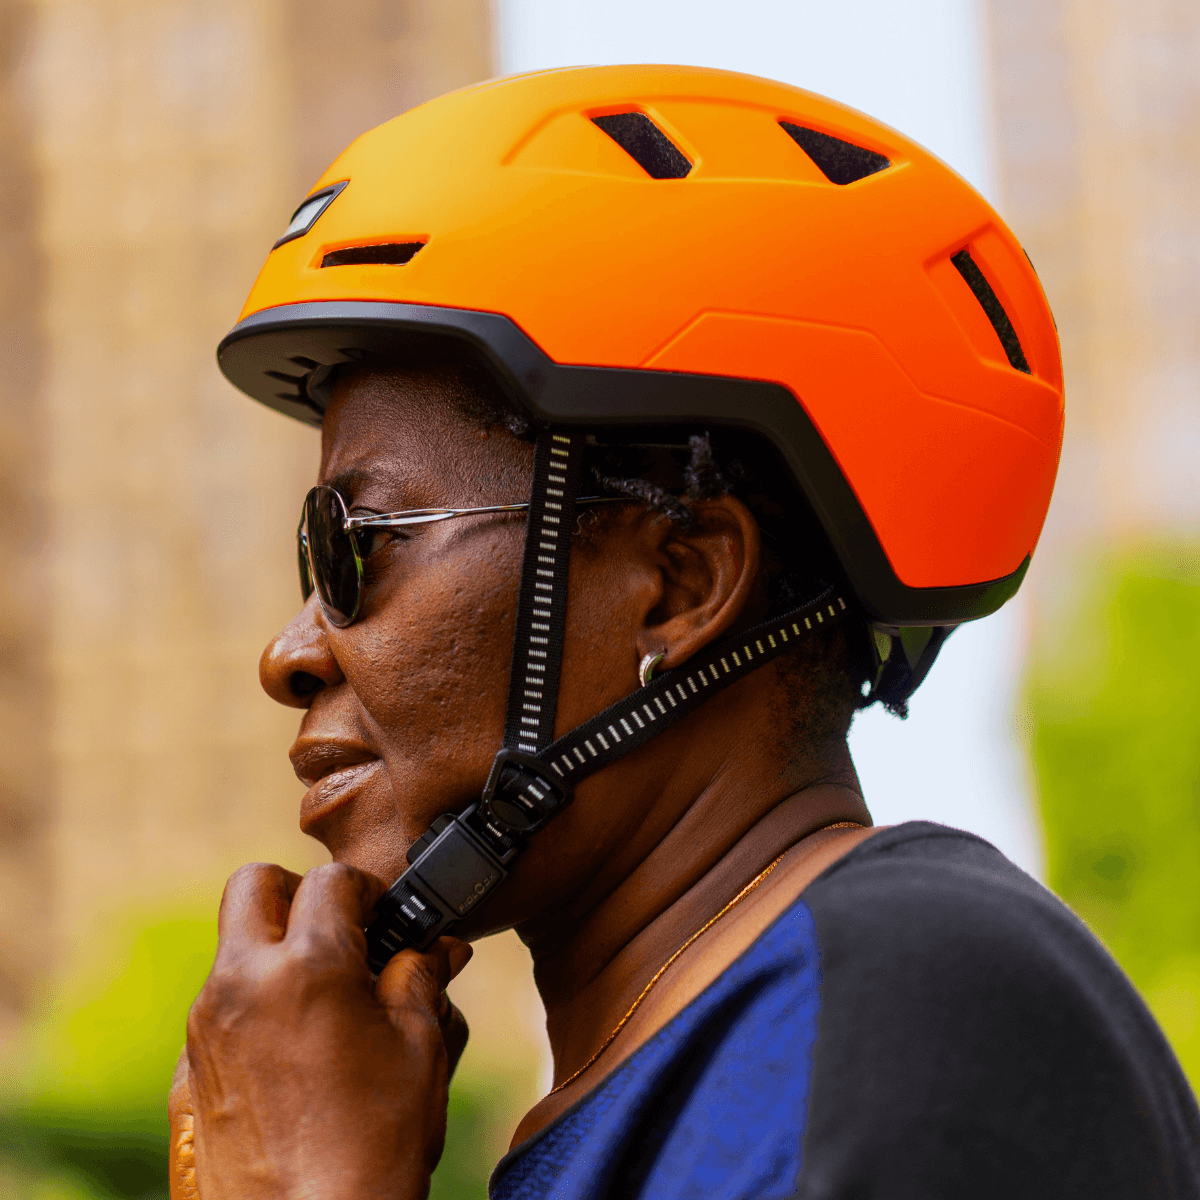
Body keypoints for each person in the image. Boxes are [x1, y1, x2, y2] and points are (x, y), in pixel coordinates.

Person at [169, 65, 1200, 1199]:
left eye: (357, 543)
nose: (292, 651)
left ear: (677, 583)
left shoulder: (916, 1017)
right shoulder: (680, 1085)